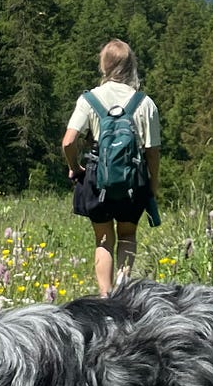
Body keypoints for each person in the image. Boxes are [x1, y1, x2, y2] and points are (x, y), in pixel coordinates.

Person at [62, 40, 161, 296]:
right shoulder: (144, 102)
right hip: (133, 181)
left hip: (97, 179)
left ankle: (105, 299)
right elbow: (152, 152)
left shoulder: (89, 99)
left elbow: (69, 141)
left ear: (104, 65)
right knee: (127, 237)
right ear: (131, 66)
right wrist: (153, 185)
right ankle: (123, 292)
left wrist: (75, 167)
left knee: (103, 240)